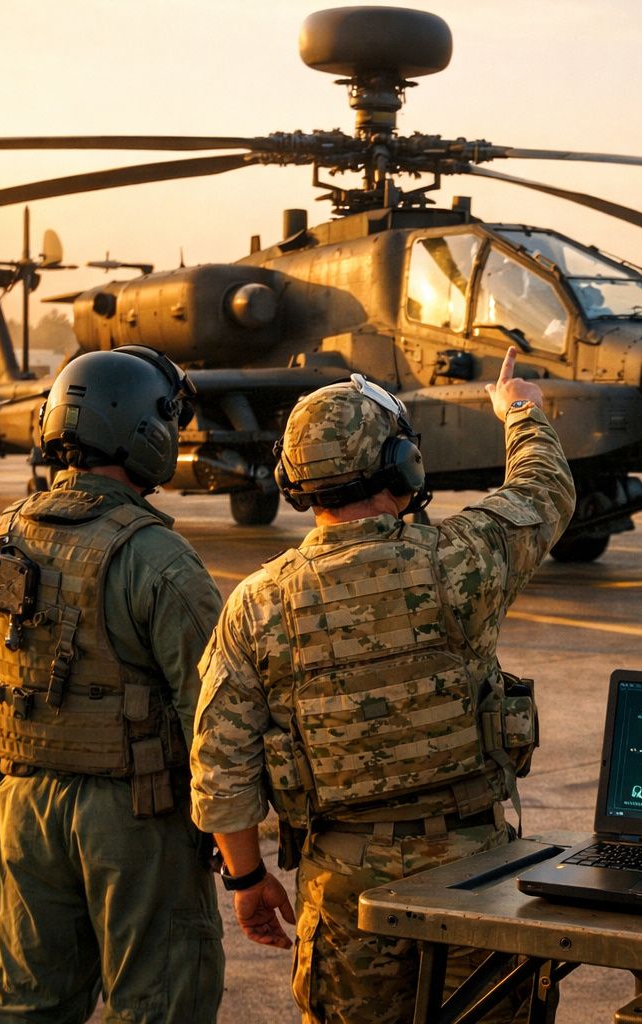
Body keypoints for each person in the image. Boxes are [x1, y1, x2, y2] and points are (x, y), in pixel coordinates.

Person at [191, 347, 575, 1024]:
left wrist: (248, 880)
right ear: (403, 466)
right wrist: (521, 411)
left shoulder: (256, 604)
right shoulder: (464, 557)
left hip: (343, 889)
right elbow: (545, 491)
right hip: (474, 875)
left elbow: (221, 771)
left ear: (295, 482)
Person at [0, 345, 226, 1023]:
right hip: (139, 822)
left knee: (25, 1006)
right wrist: (229, 838)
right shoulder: (159, 558)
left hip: (24, 812)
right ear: (144, 431)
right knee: (158, 1001)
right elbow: (215, 715)